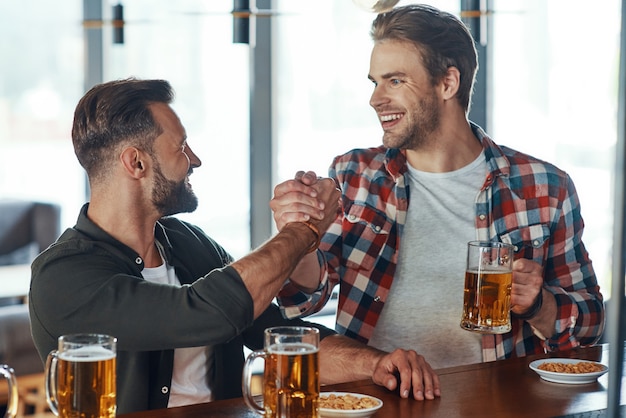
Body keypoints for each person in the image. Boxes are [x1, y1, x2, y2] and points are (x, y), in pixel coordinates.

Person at [28, 78, 440, 415]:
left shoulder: (190, 244)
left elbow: (277, 336)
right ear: (136, 163)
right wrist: (305, 233)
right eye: (181, 146)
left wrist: (376, 364)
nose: (195, 159)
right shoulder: (62, 277)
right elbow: (203, 313)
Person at [271, 4, 605, 370]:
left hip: (494, 402)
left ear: (448, 83)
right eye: (375, 82)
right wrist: (300, 237)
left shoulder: (544, 187)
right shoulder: (353, 174)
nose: (375, 98)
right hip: (378, 400)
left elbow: (591, 324)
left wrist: (539, 304)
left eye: (395, 81)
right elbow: (306, 298)